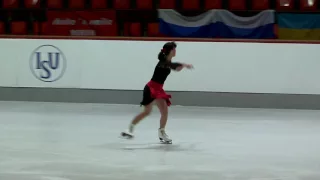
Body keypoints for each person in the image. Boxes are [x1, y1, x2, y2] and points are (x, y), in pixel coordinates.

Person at [121, 41, 193, 143]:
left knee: (164, 111)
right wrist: (184, 65)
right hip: (151, 88)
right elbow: (172, 66)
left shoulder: (167, 62)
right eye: (174, 49)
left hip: (158, 89)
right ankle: (129, 129)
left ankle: (162, 132)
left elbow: (175, 67)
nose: (175, 51)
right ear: (170, 51)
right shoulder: (163, 63)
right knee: (147, 112)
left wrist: (183, 65)